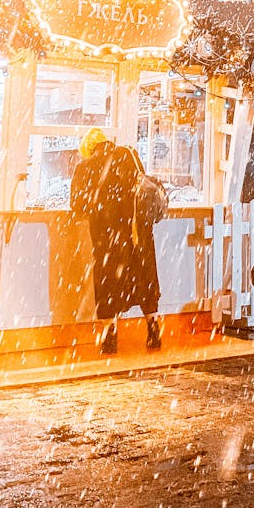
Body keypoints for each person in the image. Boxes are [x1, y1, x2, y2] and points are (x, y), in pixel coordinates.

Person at [70, 128, 163, 354]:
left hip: (107, 240)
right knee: (144, 280)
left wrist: (99, 206)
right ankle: (153, 330)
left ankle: (109, 336)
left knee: (108, 284)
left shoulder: (85, 167)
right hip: (138, 235)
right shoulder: (129, 156)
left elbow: (77, 204)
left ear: (89, 149)